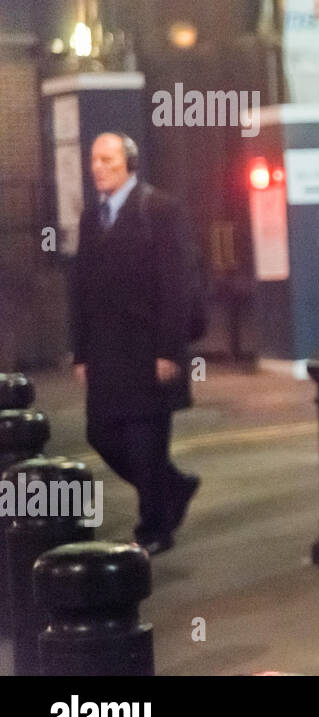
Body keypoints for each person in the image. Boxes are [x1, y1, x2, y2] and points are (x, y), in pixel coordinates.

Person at [71, 132, 201, 556]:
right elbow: (81, 289)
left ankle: (155, 528)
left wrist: (168, 350)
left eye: (107, 159)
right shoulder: (93, 218)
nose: (98, 167)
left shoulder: (159, 210)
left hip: (148, 352)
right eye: (94, 160)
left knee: (146, 444)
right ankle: (174, 486)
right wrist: (81, 352)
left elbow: (176, 285)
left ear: (128, 162)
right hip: (107, 353)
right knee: (101, 433)